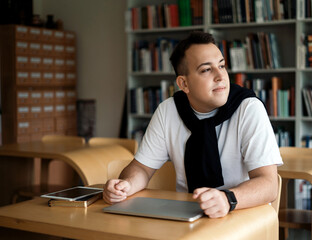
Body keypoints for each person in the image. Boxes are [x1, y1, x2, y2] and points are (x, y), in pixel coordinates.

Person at [103, 31, 283, 218]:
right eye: (206, 70)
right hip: (188, 214)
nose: (220, 76)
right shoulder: (168, 111)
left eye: (222, 66)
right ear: (184, 84)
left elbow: (269, 184)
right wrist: (125, 185)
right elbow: (142, 168)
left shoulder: (249, 108)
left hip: (242, 211)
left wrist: (227, 199)